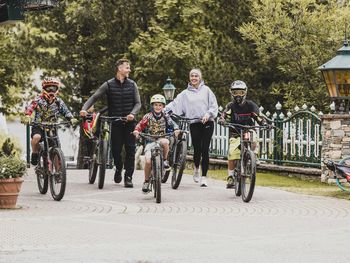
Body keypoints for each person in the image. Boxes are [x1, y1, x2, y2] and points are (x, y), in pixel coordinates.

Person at [80, 58, 141, 188]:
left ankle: (128, 177)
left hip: (130, 122)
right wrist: (84, 109)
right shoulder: (108, 84)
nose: (129, 70)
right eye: (127, 67)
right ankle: (118, 168)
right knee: (116, 150)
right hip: (116, 122)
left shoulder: (132, 84)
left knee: (130, 150)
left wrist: (132, 114)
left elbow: (138, 103)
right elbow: (95, 97)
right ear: (119, 68)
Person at [166, 68, 218, 187]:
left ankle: (204, 177)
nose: (194, 78)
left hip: (207, 122)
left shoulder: (207, 90)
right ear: (189, 78)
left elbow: (214, 105)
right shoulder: (185, 93)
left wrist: (208, 114)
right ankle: (196, 168)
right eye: (192, 76)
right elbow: (175, 103)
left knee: (205, 149)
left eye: (196, 76)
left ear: (200, 78)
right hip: (194, 123)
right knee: (197, 149)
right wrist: (164, 109)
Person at [218, 80, 268, 188]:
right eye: (235, 92)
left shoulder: (250, 105)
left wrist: (264, 123)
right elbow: (224, 114)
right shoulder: (230, 106)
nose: (238, 95)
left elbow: (258, 116)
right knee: (232, 153)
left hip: (248, 130)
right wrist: (221, 120)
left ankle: (253, 156)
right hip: (235, 132)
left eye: (240, 92)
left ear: (245, 92)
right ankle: (231, 177)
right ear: (231, 93)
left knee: (253, 139)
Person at [21, 77, 77, 165]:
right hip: (38, 126)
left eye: (53, 88)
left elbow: (66, 111)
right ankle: (34, 153)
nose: (51, 90)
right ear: (44, 88)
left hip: (52, 127)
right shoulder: (38, 100)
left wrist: (71, 118)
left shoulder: (59, 101)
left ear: (57, 89)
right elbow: (30, 108)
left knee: (56, 151)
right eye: (48, 88)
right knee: (36, 138)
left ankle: (59, 175)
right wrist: (27, 115)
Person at [133, 94, 180, 193]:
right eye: (155, 105)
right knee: (148, 162)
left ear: (163, 106)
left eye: (160, 105)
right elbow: (140, 125)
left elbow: (173, 124)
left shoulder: (166, 116)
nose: (158, 107)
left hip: (161, 139)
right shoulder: (148, 116)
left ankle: (165, 161)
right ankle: (146, 181)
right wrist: (137, 131)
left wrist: (176, 129)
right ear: (152, 106)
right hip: (150, 141)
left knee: (165, 141)